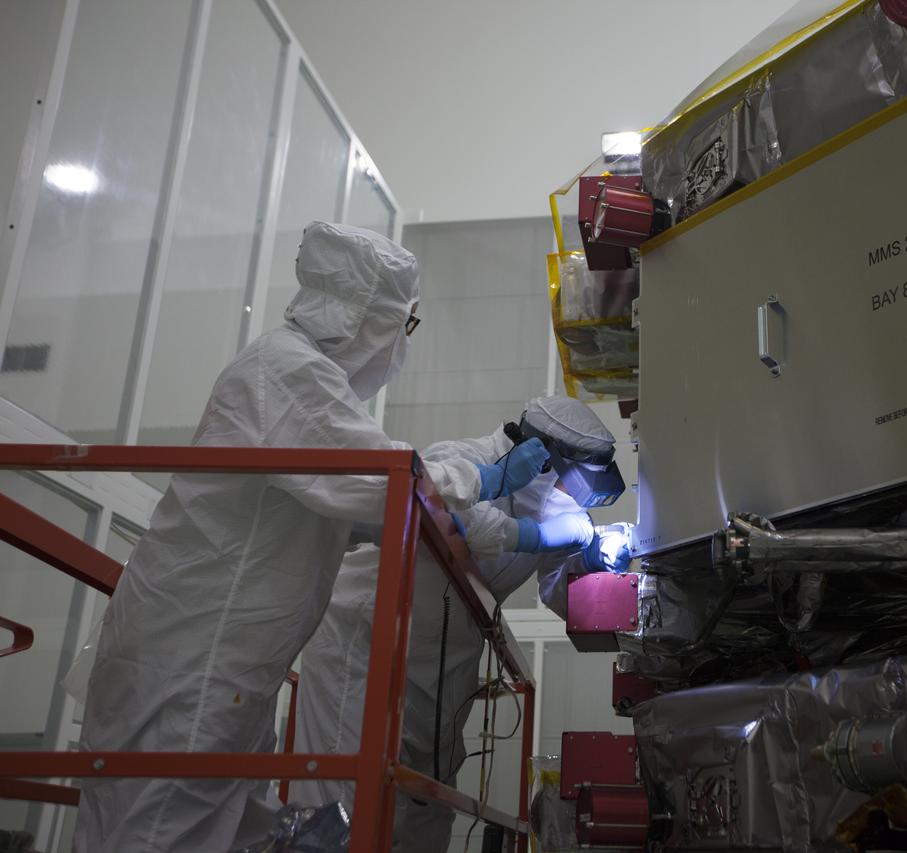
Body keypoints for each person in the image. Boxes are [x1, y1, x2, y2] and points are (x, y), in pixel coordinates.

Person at [72, 222, 551, 853]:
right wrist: (483, 480)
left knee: (212, 819)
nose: (401, 344)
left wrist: (494, 517)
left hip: (230, 658)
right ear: (361, 315)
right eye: (401, 324)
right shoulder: (284, 370)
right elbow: (381, 482)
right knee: (160, 826)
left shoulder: (302, 378)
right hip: (193, 654)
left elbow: (368, 512)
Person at [289, 396, 633, 851]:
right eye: (577, 485)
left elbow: (559, 591)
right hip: (365, 648)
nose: (576, 500)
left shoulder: (554, 506)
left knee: (424, 809)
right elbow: (459, 517)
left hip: (444, 668)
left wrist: (594, 561)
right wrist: (531, 536)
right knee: (345, 803)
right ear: (547, 459)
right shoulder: (468, 459)